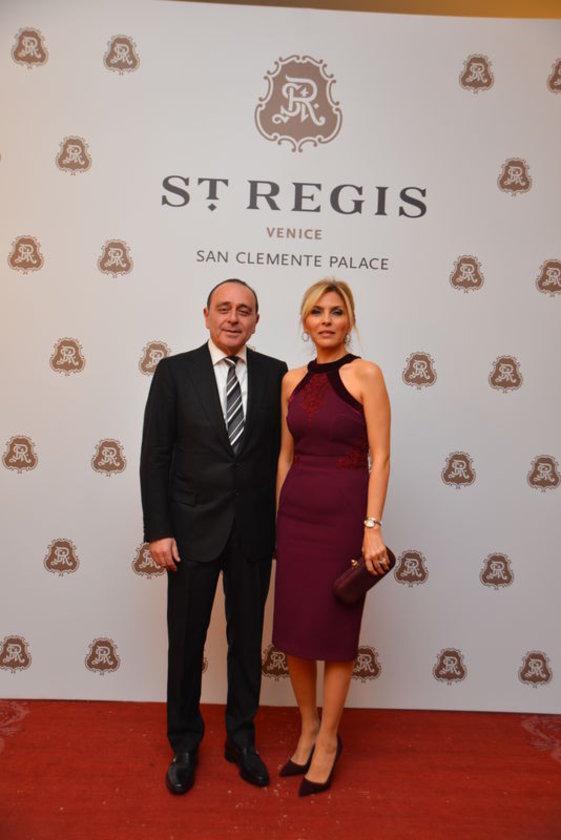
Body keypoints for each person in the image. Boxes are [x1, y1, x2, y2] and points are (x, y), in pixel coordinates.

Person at [140, 279, 287, 795]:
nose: (233, 318)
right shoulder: (174, 372)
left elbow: (285, 456)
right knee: (186, 643)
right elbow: (155, 455)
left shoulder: (277, 374)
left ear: (256, 321)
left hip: (253, 532)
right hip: (189, 532)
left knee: (247, 643)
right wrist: (159, 530)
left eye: (244, 310)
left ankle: (241, 740)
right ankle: (184, 743)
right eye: (223, 308)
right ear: (206, 315)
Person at [272, 279, 391, 797]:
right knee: (295, 628)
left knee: (337, 632)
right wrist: (279, 519)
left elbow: (381, 458)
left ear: (350, 320)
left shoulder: (367, 374)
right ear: (305, 321)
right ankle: (308, 728)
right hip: (296, 515)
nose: (326, 320)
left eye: (336, 312)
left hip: (345, 515)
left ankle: (329, 741)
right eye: (316, 312)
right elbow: (285, 456)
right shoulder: (291, 380)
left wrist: (372, 527)